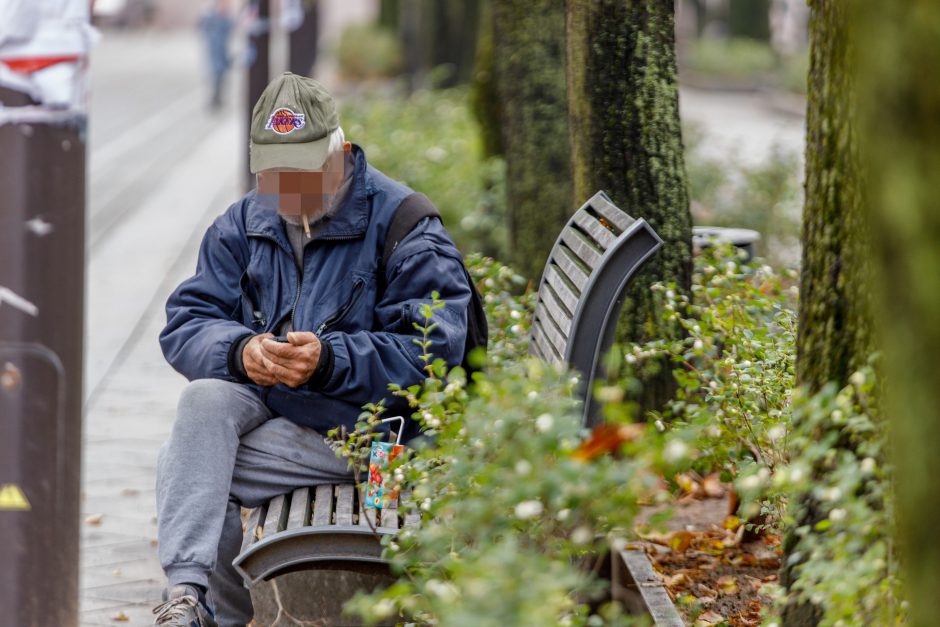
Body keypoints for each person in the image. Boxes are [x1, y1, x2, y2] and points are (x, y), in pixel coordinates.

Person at [150, 72, 471, 627]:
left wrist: (329, 360)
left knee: (191, 469)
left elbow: (437, 352)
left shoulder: (405, 225)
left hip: (379, 445)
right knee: (203, 403)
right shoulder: (245, 223)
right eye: (273, 174)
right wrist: (239, 352)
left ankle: (212, 615)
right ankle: (190, 601)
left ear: (341, 154)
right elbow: (187, 320)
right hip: (285, 422)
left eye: (301, 172)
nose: (286, 188)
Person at [198, 0, 234, 110]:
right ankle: (214, 98)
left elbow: (231, 28)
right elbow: (201, 26)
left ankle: (218, 98)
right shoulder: (210, 17)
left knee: (221, 76)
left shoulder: (225, 18)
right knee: (214, 75)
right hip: (213, 50)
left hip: (222, 51)